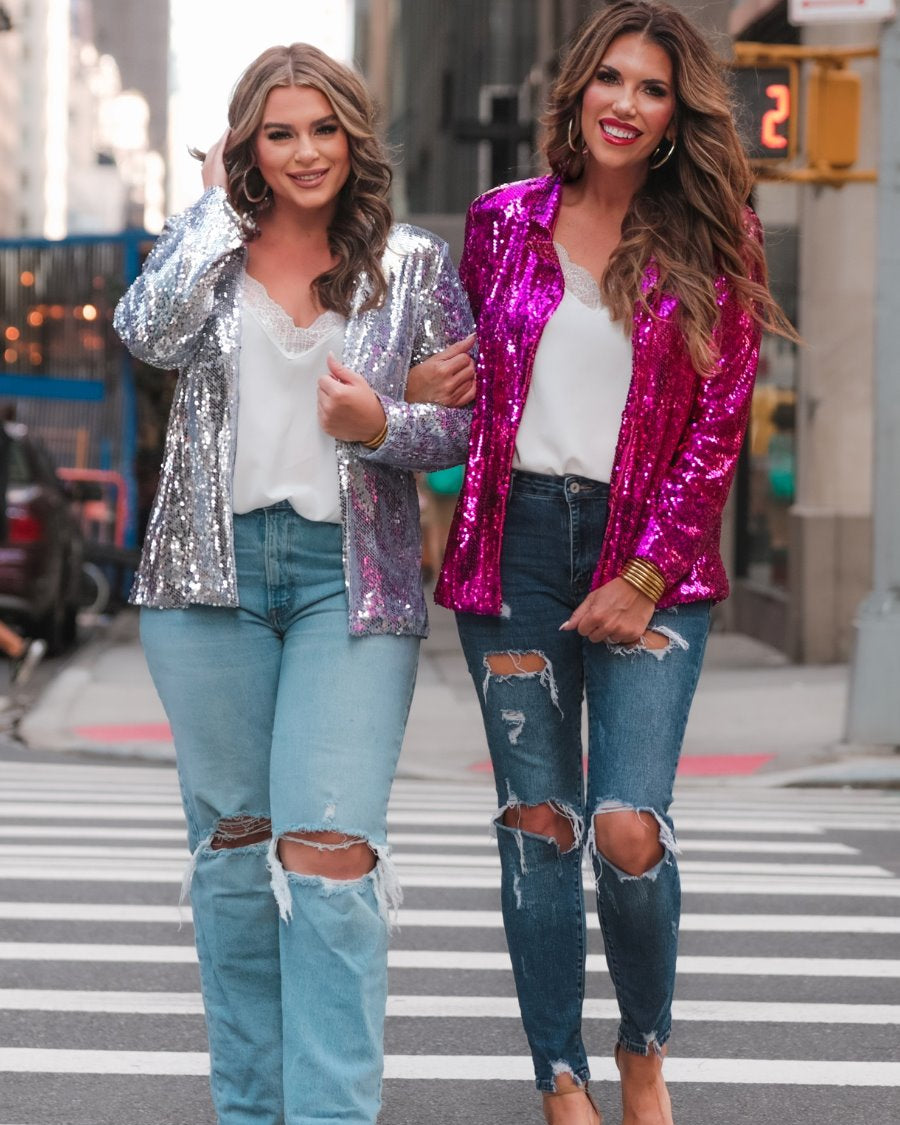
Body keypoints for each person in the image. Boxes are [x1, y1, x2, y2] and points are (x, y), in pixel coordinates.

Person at [435, 3, 797, 1123]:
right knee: (539, 825)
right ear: (578, 88)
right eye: (611, 79)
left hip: (654, 561)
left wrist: (642, 575)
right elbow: (463, 392)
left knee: (627, 826)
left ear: (677, 117)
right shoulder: (500, 222)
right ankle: (561, 1080)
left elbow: (719, 425)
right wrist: (414, 390)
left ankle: (643, 1048)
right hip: (516, 551)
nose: (626, 104)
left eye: (652, 89)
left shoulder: (716, 237)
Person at [114, 43, 474, 1125]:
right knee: (233, 866)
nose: (306, 152)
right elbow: (146, 332)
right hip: (206, 583)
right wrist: (217, 207)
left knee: (330, 860)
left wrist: (382, 421)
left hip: (346, 586)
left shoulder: (411, 264)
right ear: (248, 147)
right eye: (279, 134)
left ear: (354, 138)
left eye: (324, 129)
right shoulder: (206, 247)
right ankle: (251, 1111)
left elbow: (465, 427)